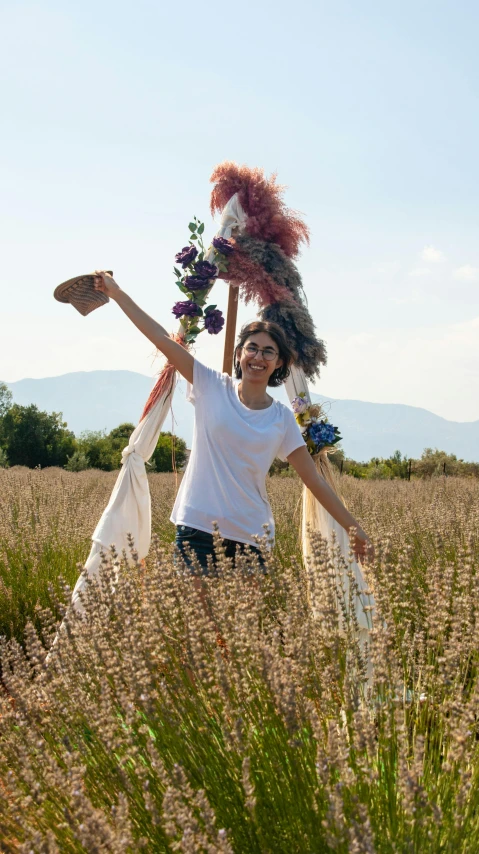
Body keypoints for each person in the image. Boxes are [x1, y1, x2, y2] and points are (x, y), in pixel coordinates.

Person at [93, 271, 373, 573]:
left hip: (251, 535)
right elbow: (162, 340)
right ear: (239, 354)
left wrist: (353, 528)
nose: (258, 356)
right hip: (196, 527)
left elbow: (313, 480)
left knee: (242, 623)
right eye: (252, 348)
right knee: (199, 621)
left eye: (269, 351)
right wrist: (117, 293)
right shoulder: (211, 385)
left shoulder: (281, 418)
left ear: (279, 362)